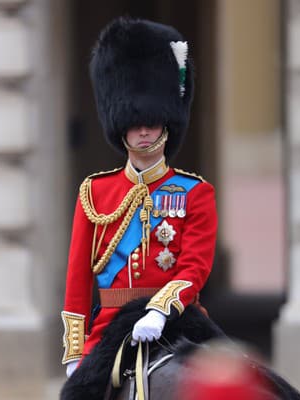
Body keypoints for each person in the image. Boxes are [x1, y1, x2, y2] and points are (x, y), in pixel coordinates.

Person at [60, 17, 217, 377]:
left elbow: (195, 266)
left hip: (178, 320)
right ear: (121, 125)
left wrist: (161, 309)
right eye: (135, 121)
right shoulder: (94, 192)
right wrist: (74, 351)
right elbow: (77, 281)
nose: (144, 129)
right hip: (110, 328)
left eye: (153, 120)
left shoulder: (196, 193)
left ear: (167, 122)